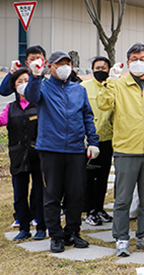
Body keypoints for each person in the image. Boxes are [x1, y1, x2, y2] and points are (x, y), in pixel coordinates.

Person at [97, 44, 144, 256]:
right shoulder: (118, 85)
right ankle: (121, 238)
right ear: (128, 63)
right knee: (123, 198)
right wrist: (110, 81)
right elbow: (103, 104)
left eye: (142, 58)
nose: (138, 61)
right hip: (126, 150)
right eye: (133, 58)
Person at [25, 50, 99, 252]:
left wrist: (93, 142)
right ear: (50, 67)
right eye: (60, 64)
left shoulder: (78, 90)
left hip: (76, 149)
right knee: (53, 193)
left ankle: (73, 232)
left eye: (67, 63)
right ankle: (56, 235)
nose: (65, 67)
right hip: (50, 149)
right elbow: (31, 97)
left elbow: (87, 116)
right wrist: (35, 76)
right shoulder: (42, 87)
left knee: (76, 193)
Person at [1, 68, 46, 241]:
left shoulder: (40, 105)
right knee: (20, 194)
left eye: (26, 80)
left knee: (39, 193)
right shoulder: (10, 108)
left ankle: (41, 227)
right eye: (19, 81)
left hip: (38, 156)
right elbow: (1, 121)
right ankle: (24, 228)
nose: (23, 84)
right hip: (18, 157)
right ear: (14, 86)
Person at [82, 57, 114, 227]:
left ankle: (100, 208)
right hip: (90, 140)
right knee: (89, 177)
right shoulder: (84, 87)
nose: (101, 69)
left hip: (108, 139)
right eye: (97, 67)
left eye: (104, 67)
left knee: (103, 176)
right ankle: (90, 211)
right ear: (92, 69)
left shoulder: (113, 87)